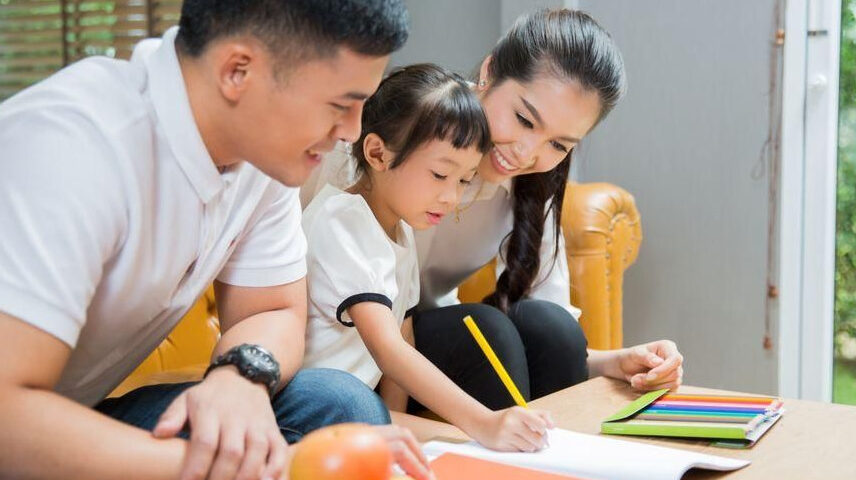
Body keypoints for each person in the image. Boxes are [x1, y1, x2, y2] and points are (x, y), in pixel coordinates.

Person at [0, 1, 421, 479]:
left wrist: (240, 376)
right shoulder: (71, 147)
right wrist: (268, 469)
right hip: (15, 426)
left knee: (337, 404)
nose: (350, 132)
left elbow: (273, 311)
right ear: (237, 71)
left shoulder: (262, 157)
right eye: (340, 105)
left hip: (77, 413)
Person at [410, 9, 685, 411]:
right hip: (362, 338)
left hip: (433, 342)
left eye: (559, 145)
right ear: (489, 71)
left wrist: (622, 363)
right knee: (486, 331)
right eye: (524, 119)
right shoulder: (407, 128)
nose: (526, 153)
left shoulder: (530, 184)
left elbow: (557, 343)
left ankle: (561, 466)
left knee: (552, 328)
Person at [302, 63, 552, 463]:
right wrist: (484, 421)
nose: (452, 198)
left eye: (464, 181)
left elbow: (403, 333)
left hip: (361, 409)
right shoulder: (341, 221)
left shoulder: (400, 231)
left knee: (474, 446)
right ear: (378, 153)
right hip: (318, 408)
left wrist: (398, 420)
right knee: (476, 437)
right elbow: (387, 348)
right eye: (440, 174)